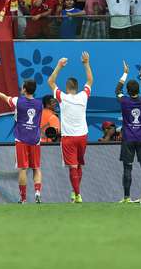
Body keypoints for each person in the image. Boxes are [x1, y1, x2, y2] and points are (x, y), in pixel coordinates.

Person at [47, 51, 93, 203]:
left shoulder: (62, 97)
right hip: (83, 136)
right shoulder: (83, 96)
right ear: (77, 87)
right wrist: (86, 63)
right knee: (78, 164)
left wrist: (59, 66)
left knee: (72, 166)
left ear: (67, 88)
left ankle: (78, 195)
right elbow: (90, 80)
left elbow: (51, 82)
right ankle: (75, 193)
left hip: (69, 138)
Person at [0, 79, 44, 204]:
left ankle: (23, 198)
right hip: (35, 139)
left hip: (21, 139)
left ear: (24, 89)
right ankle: (37, 193)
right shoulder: (40, 104)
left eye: (22, 87)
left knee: (23, 169)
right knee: (36, 167)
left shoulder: (18, 101)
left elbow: (4, 97)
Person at [115, 61, 141, 206]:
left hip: (128, 139)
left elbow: (117, 90)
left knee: (127, 168)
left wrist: (125, 72)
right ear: (138, 90)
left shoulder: (124, 101)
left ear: (128, 91)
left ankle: (126, 197)